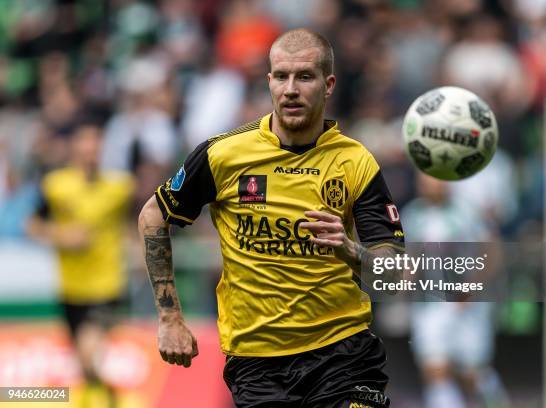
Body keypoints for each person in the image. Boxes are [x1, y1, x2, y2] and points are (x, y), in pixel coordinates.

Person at [138, 28, 405, 407]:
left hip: (343, 354)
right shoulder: (223, 155)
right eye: (281, 76)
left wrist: (350, 251)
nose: (291, 89)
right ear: (269, 81)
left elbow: (394, 270)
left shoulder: (356, 162)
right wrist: (169, 318)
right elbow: (153, 216)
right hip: (257, 364)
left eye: (305, 77)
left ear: (328, 85)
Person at [27, 119, 134, 407]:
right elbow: (32, 225)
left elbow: (137, 224)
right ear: (74, 147)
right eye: (85, 142)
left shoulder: (120, 188)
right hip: (71, 288)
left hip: (108, 285)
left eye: (96, 142)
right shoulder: (55, 186)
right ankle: (111, 399)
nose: (91, 149)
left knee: (89, 353)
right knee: (85, 367)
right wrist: (61, 235)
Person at [400, 172, 509, 408]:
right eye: (425, 179)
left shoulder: (467, 211)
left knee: (473, 375)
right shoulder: (411, 215)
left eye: (436, 178)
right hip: (428, 304)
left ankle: (497, 401)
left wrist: (472, 285)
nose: (432, 184)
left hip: (467, 305)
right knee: (434, 370)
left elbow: (492, 251)